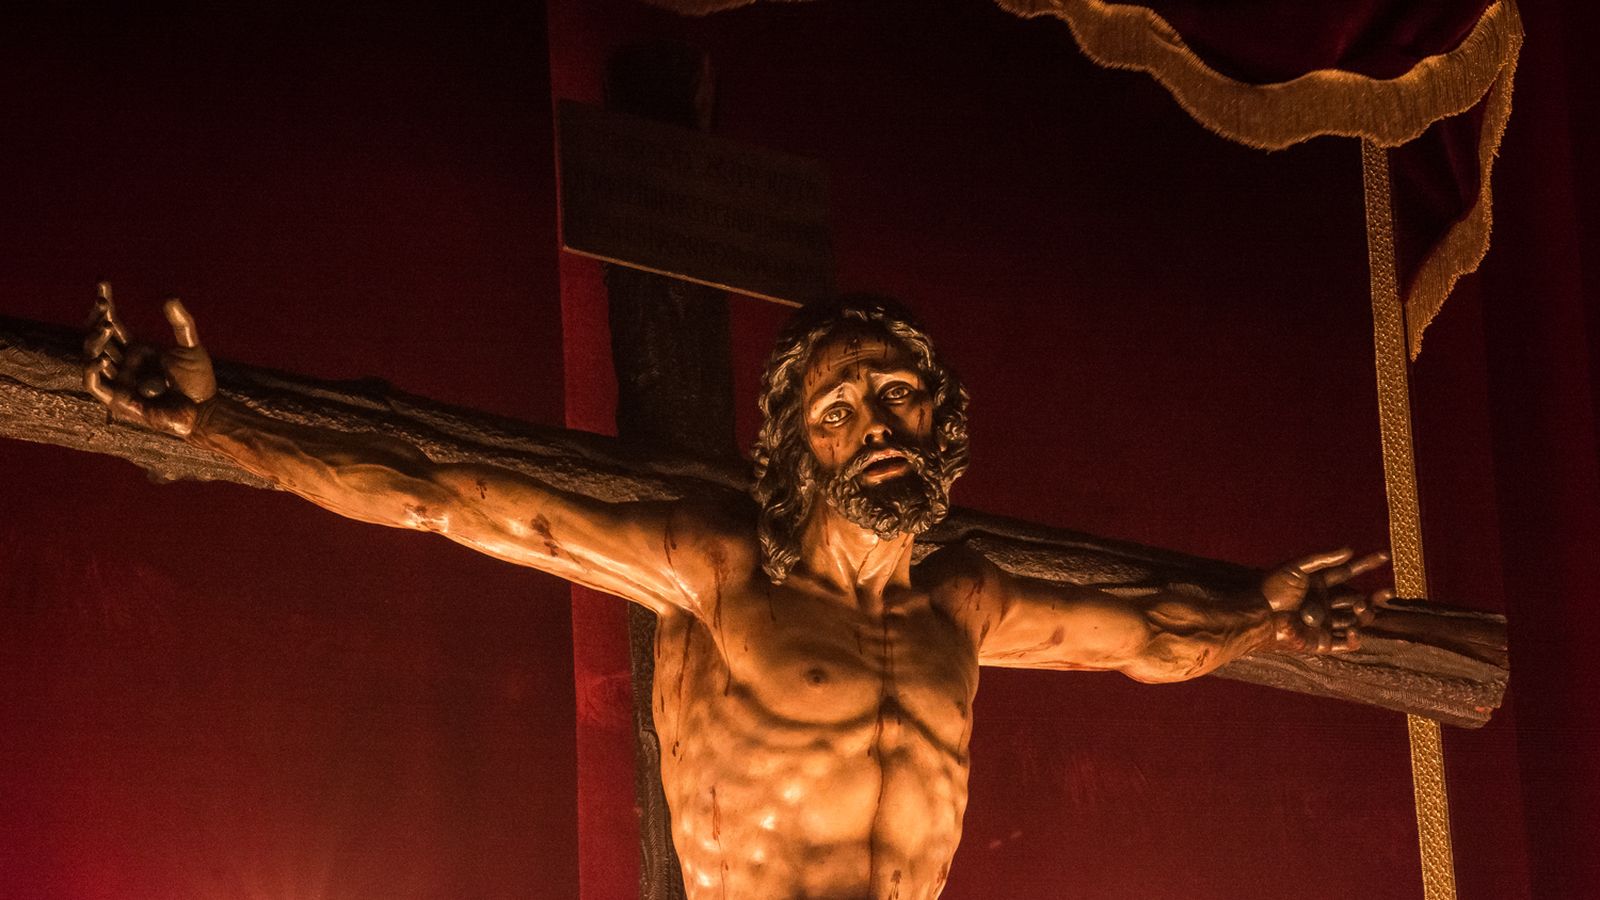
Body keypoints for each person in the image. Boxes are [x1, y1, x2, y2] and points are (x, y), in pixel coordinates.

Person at [84, 288, 1388, 900]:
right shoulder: (717, 570)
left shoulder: (968, 602)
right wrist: (220, 427)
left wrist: (1270, 616)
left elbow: (1153, 639)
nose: (876, 421)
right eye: (839, 407)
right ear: (795, 449)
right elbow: (435, 493)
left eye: (898, 397)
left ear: (939, 422)